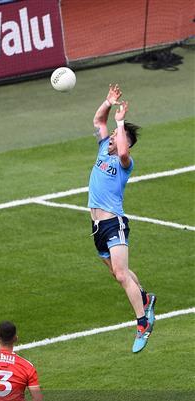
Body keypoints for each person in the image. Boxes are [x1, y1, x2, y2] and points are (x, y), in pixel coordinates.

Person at [88, 83, 156, 353]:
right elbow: (97, 120)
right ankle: (145, 298)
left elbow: (125, 152)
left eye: (119, 136)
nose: (114, 137)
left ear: (125, 141)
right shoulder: (105, 146)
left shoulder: (125, 163)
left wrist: (120, 120)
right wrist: (108, 102)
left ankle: (142, 323)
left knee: (119, 274)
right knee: (120, 272)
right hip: (96, 228)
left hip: (113, 222)